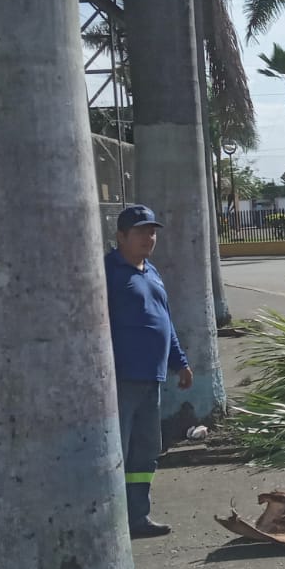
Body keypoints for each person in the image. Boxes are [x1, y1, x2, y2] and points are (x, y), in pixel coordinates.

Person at [105, 204, 193, 538]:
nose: (149, 238)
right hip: (121, 379)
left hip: (151, 379)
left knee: (144, 452)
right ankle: (112, 522)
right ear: (121, 236)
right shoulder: (108, 272)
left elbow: (164, 321)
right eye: (141, 231)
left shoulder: (151, 271)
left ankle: (137, 517)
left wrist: (180, 362)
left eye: (152, 232)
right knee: (117, 452)